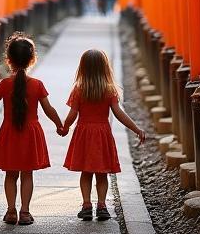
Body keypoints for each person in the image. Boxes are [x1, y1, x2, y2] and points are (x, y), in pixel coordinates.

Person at [0, 35, 66, 225]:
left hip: (10, 133)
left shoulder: (5, 84)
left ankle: (11, 211)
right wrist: (59, 124)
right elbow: (49, 109)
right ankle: (25, 212)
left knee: (10, 174)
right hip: (30, 134)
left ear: (8, 59)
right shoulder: (37, 85)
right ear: (32, 59)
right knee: (27, 174)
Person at [62, 48, 145, 221]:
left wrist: (64, 127)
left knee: (86, 172)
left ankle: (86, 205)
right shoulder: (109, 90)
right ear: (105, 68)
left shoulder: (78, 89)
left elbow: (72, 114)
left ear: (82, 68)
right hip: (102, 134)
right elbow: (119, 113)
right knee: (102, 173)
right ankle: (101, 206)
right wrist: (136, 129)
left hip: (84, 134)